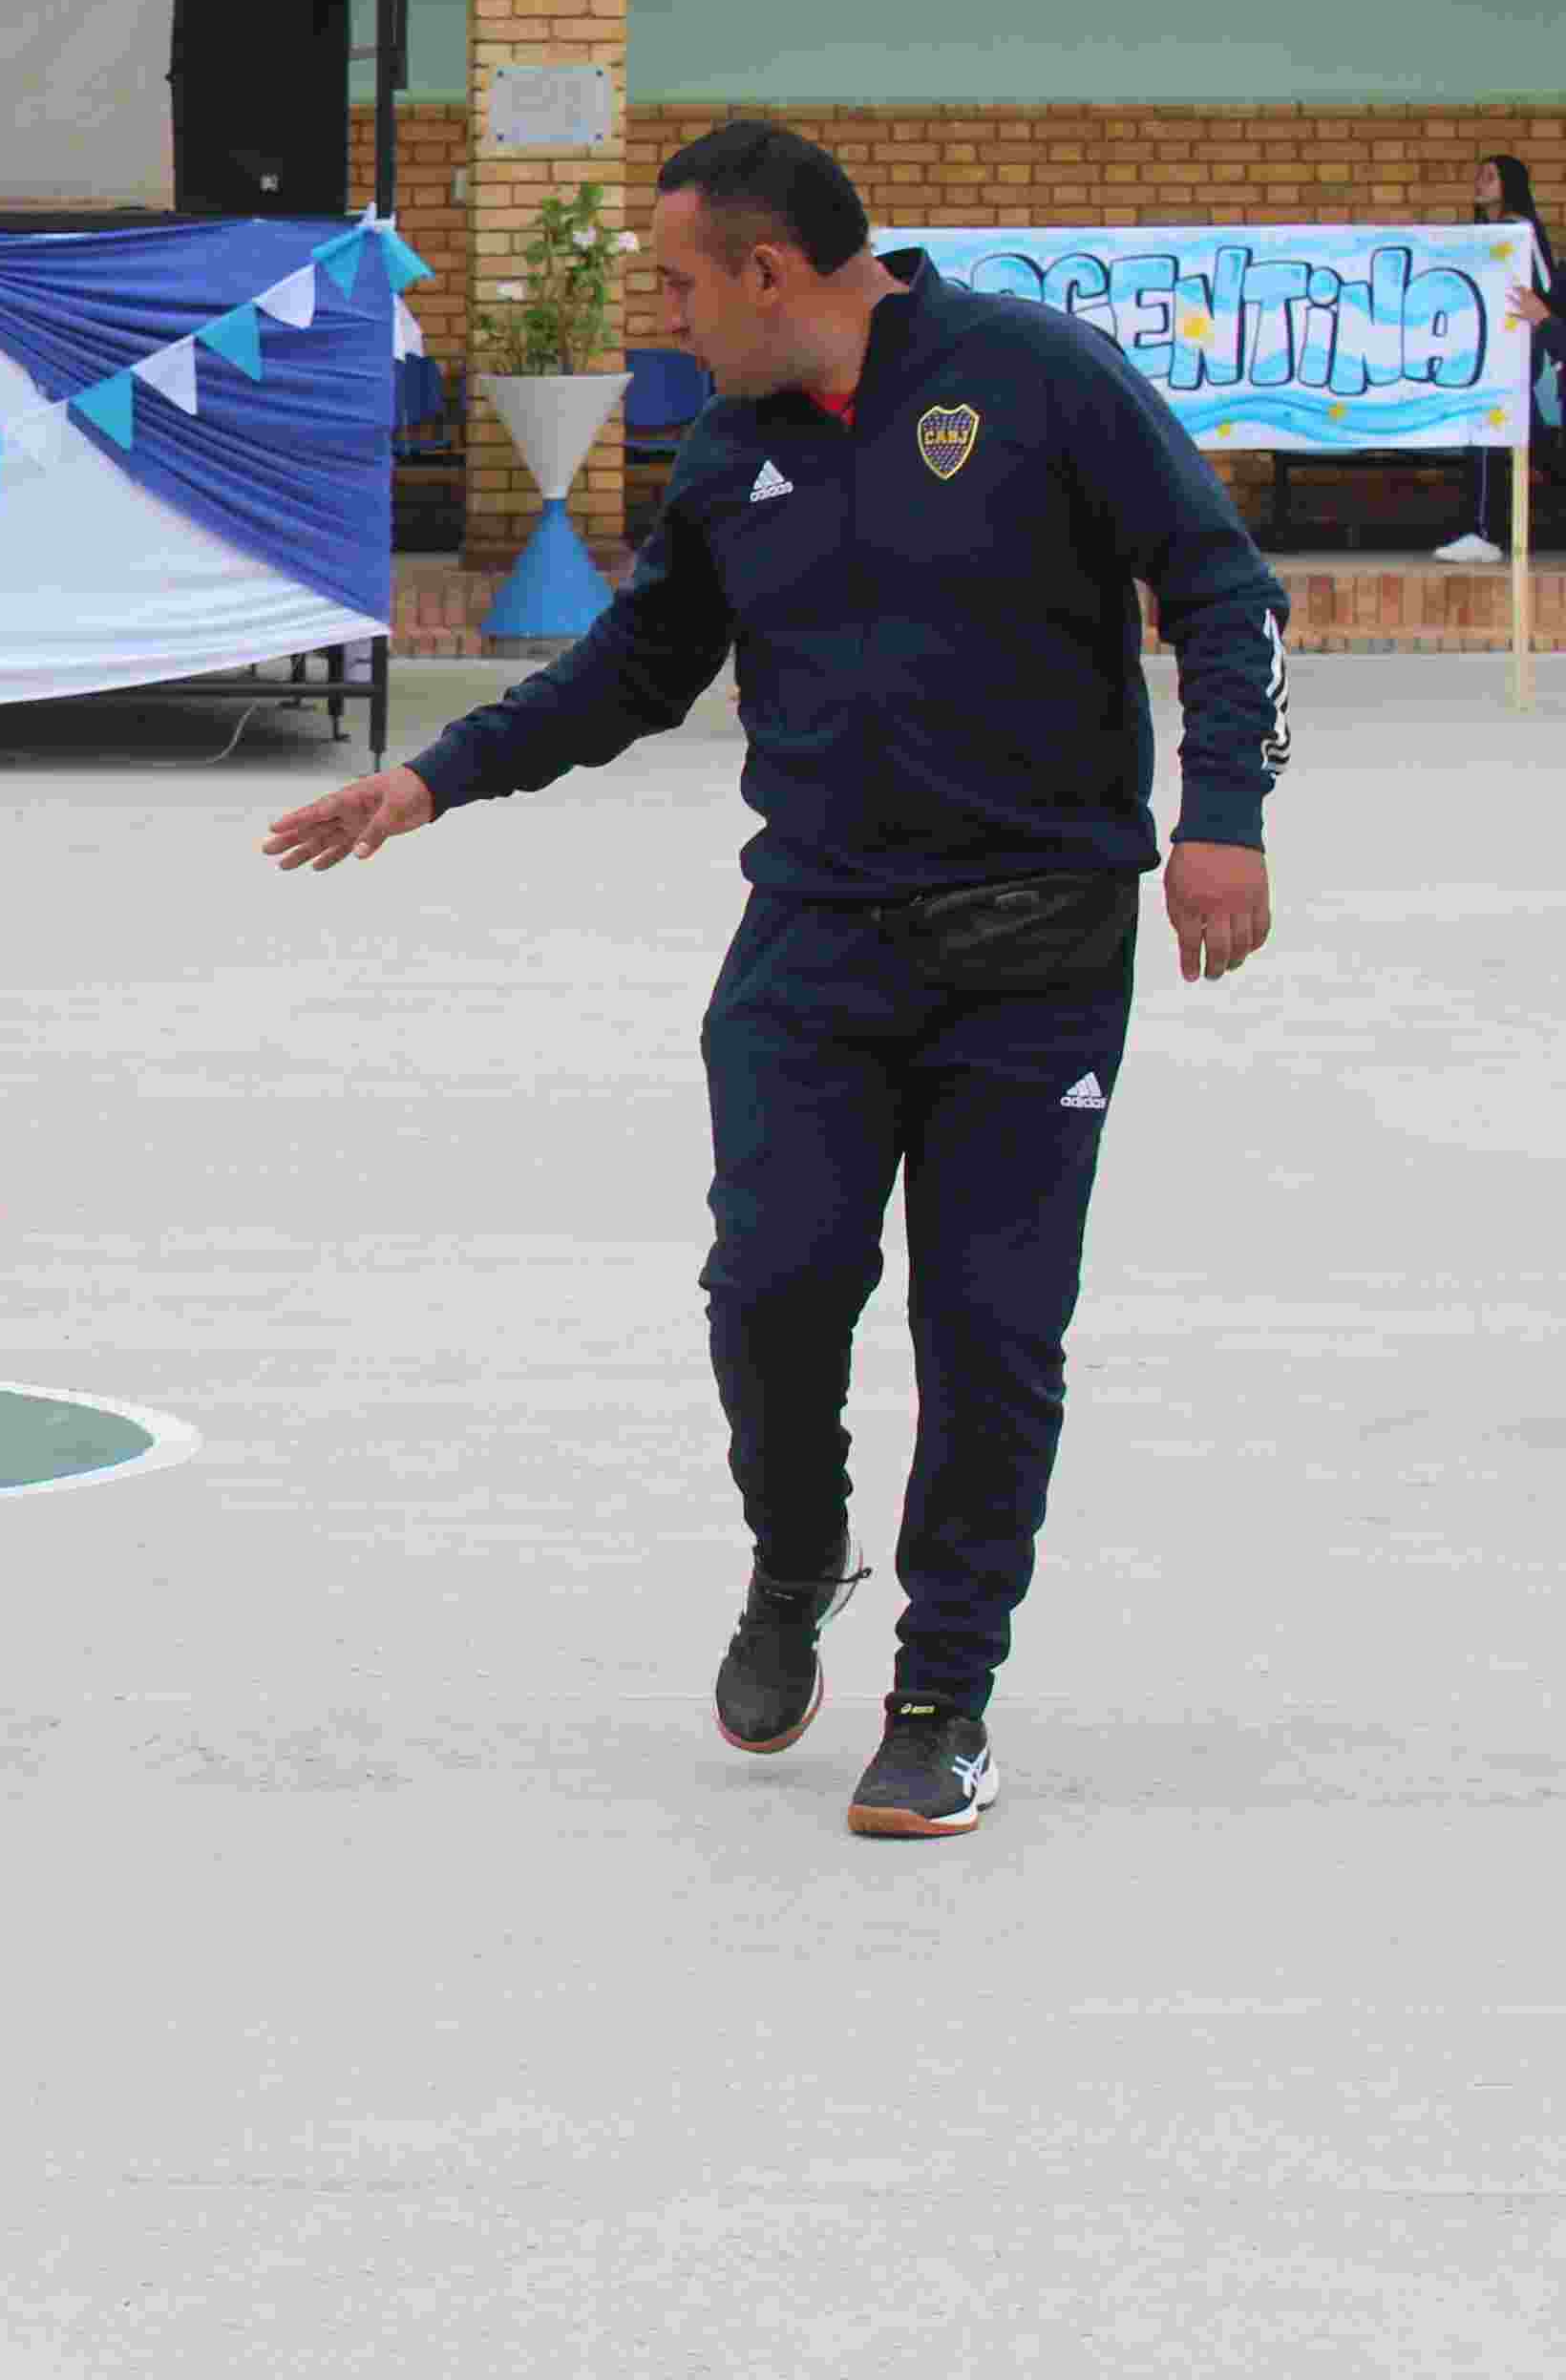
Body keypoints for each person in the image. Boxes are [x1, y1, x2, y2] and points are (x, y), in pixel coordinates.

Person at [260, 118, 1286, 1843]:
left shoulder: (1034, 379)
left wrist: (1223, 820)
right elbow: (632, 669)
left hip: (1030, 950)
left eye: (675, 282)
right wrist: (430, 779)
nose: (661, 317)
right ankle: (795, 1551)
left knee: (988, 1332)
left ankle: (941, 1694)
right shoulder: (729, 451)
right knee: (770, 1286)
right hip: (810, 941)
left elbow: (1219, 587)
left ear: (768, 269)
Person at [1432, 152, 1555, 566]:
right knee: (1536, 442)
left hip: (1520, 347)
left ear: (1510, 185)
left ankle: (1481, 532)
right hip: (1497, 350)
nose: (1480, 183)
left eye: (1490, 177)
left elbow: (1545, 286)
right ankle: (1480, 531)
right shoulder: (1489, 232)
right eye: (1479, 175)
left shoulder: (1519, 230)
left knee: (1489, 425)